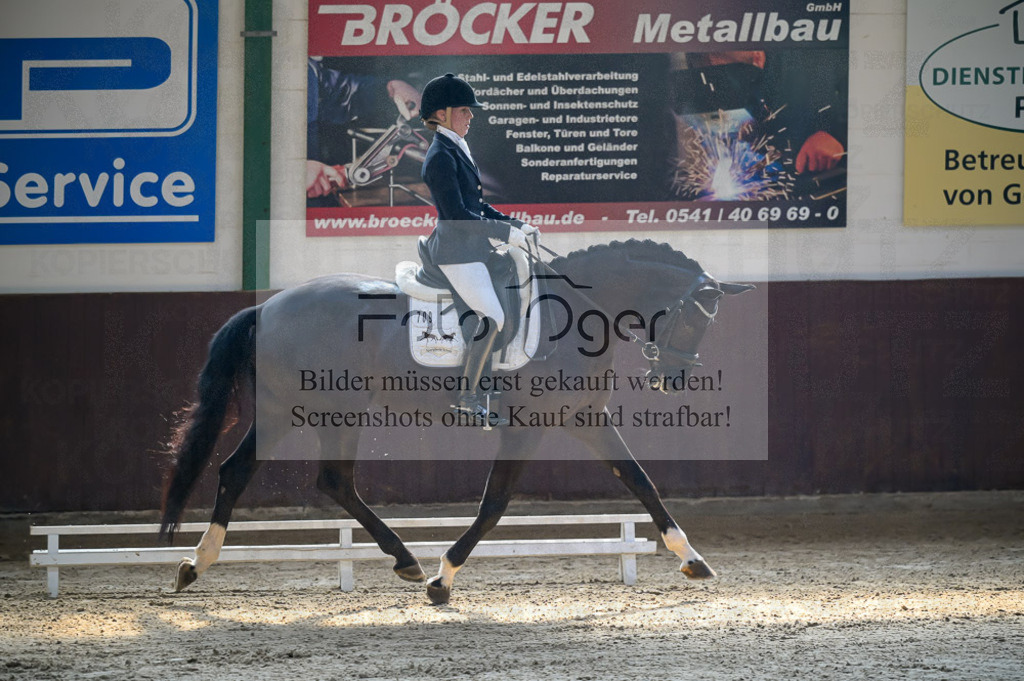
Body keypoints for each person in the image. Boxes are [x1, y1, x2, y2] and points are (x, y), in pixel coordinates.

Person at [418, 73, 538, 426]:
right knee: (492, 316)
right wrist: (502, 233)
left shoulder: (457, 147)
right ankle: (468, 397)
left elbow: (479, 206)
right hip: (456, 252)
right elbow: (457, 215)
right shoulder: (440, 156)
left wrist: (514, 225)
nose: (472, 116)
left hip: (472, 247)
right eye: (464, 110)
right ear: (441, 114)